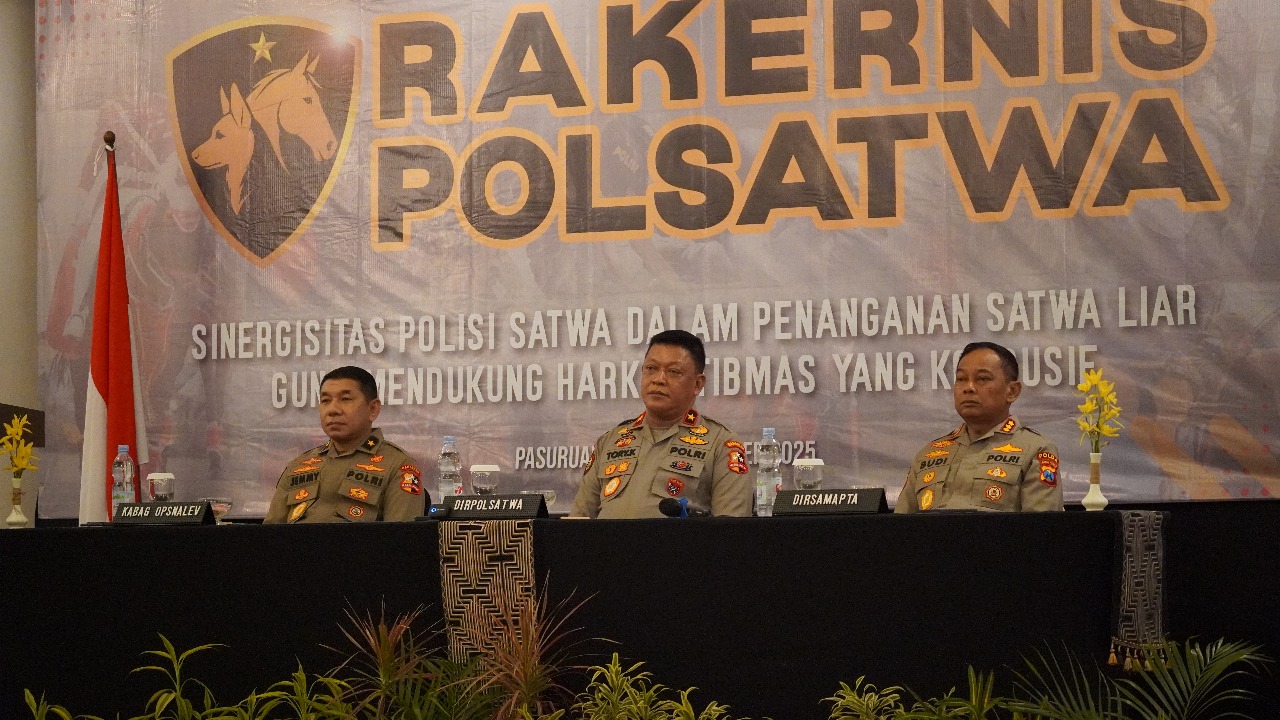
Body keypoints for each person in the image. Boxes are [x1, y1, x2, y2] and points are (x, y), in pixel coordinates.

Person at [570, 330, 753, 518]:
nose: (658, 379)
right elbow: (577, 522)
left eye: (673, 372)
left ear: (697, 384)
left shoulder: (721, 444)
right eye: (651, 368)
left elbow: (731, 530)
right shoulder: (610, 442)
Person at [896, 342, 1062, 513]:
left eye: (982, 379)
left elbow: (1041, 527)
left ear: (1012, 391)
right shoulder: (929, 454)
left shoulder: (1036, 450)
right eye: (961, 379)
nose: (968, 388)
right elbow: (899, 526)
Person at [264, 366, 426, 523]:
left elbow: (402, 538)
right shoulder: (299, 465)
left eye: (345, 399)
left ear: (372, 409)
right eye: (325, 400)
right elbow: (269, 536)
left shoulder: (398, 466)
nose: (333, 410)